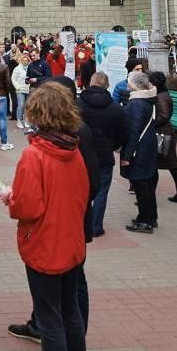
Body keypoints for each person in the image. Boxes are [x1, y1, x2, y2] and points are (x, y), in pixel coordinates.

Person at [0, 83, 91, 351]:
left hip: (45, 245)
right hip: (71, 242)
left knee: (50, 319)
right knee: (71, 312)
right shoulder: (74, 149)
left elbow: (28, 207)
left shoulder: (34, 155)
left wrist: (11, 197)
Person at [78, 73, 125, 238]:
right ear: (107, 86)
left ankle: (80, 224)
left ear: (91, 83)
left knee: (81, 189)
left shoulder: (77, 105)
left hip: (81, 156)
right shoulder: (116, 108)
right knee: (102, 191)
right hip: (105, 156)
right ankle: (96, 226)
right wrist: (114, 146)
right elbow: (121, 134)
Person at [120, 71, 160, 233]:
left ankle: (145, 221)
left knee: (141, 185)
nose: (127, 84)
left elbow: (133, 131)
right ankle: (150, 217)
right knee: (147, 184)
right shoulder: (147, 100)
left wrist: (127, 155)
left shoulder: (136, 103)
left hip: (139, 150)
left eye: (129, 81)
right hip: (147, 146)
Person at [149, 71, 177, 203]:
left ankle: (150, 196)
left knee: (155, 165)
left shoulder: (160, 97)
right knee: (171, 165)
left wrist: (152, 124)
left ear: (155, 83)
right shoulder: (163, 94)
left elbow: (164, 115)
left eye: (151, 81)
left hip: (163, 133)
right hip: (166, 132)